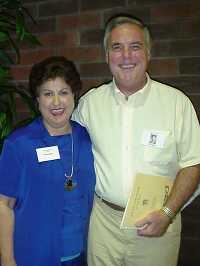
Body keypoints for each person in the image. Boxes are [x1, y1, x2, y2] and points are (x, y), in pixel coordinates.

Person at [72, 14, 200, 266]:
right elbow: (67, 147)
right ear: (107, 56)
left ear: (148, 53)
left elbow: (193, 164)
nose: (126, 56)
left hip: (159, 224)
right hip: (104, 225)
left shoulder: (176, 104)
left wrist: (167, 213)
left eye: (135, 46)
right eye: (116, 47)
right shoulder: (90, 104)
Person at [0, 56, 96, 266]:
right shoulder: (19, 144)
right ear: (37, 99)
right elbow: (3, 204)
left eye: (63, 92)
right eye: (47, 94)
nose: (56, 102)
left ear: (74, 95)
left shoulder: (85, 137)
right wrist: (7, 260)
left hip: (82, 254)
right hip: (33, 255)